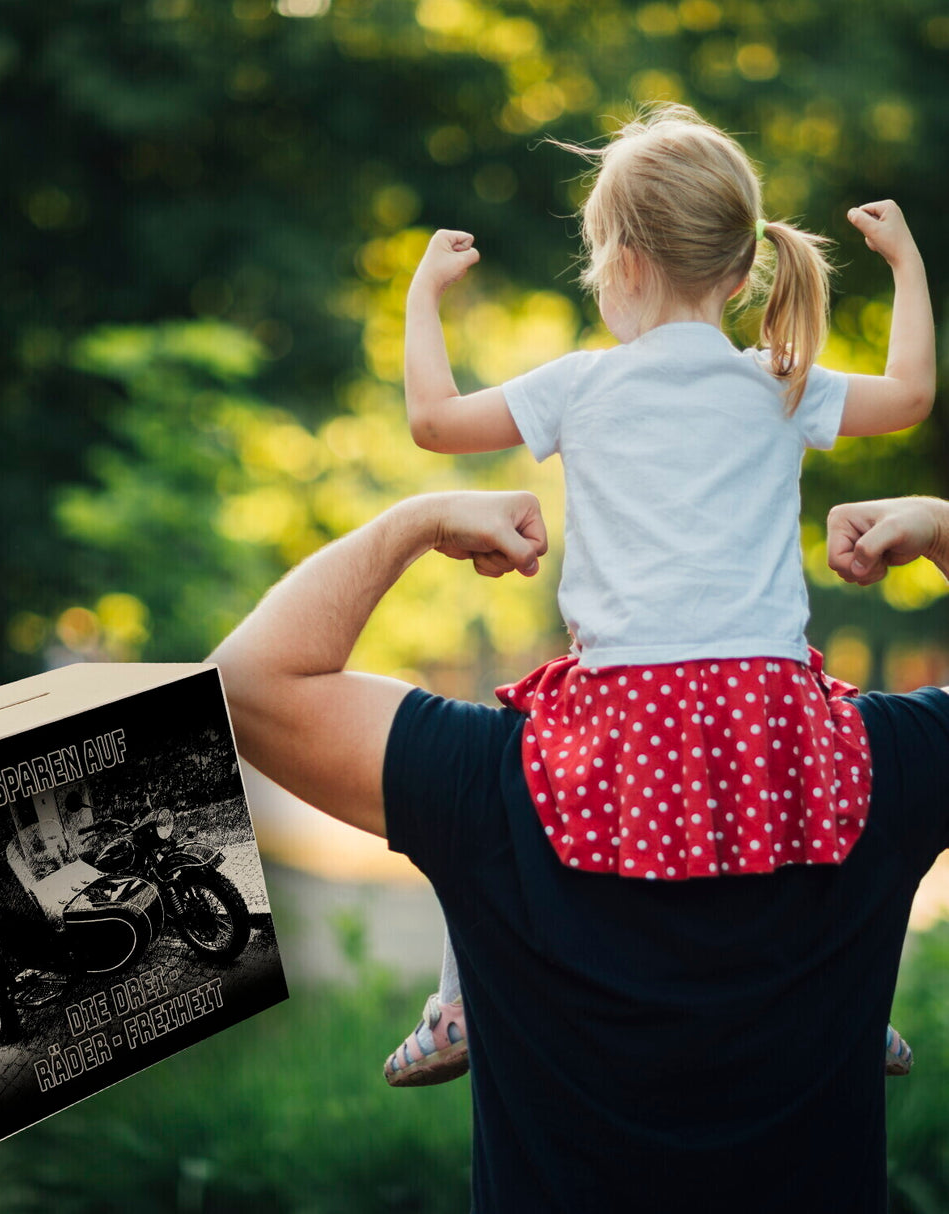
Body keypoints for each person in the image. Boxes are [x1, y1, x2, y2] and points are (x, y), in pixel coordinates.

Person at [209, 489, 949, 1214]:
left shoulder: (497, 776)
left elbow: (243, 683)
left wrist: (418, 522)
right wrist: (942, 529)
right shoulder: (872, 768)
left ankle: (453, 1005)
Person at [388, 103, 934, 1084]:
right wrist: (906, 266)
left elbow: (432, 420)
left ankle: (458, 1004)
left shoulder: (578, 385)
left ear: (623, 264)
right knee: (840, 790)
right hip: (766, 696)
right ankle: (856, 1004)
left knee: (487, 793)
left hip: (623, 702)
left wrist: (422, 293)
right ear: (741, 267)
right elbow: (910, 395)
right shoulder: (781, 381)